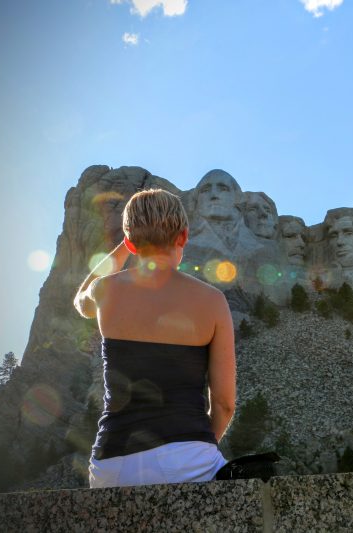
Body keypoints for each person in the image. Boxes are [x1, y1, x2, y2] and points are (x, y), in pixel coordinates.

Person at [74, 188, 236, 487]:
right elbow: (225, 403)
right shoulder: (212, 301)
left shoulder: (104, 291)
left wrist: (124, 247)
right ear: (183, 237)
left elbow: (80, 302)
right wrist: (195, 444)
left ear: (132, 244)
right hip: (189, 455)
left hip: (111, 461)